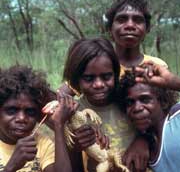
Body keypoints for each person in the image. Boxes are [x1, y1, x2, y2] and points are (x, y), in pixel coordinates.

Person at [63, 37, 150, 172]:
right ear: (76, 79)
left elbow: (157, 127)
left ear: (115, 74)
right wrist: (75, 149)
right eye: (88, 78)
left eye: (106, 77)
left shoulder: (128, 99)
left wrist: (143, 140)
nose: (98, 84)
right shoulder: (74, 112)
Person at [0, 65, 74, 172]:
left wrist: (59, 125)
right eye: (12, 110)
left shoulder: (42, 144)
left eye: (30, 112)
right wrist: (11, 166)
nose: (21, 118)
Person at [120, 64, 180, 172]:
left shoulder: (176, 117)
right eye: (130, 102)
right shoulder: (142, 153)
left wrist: (172, 81)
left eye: (145, 99)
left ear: (163, 101)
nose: (137, 108)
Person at [105, 0, 167, 76]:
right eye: (121, 19)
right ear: (110, 28)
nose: (130, 25)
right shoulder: (96, 66)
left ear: (147, 28)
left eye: (138, 20)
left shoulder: (158, 67)